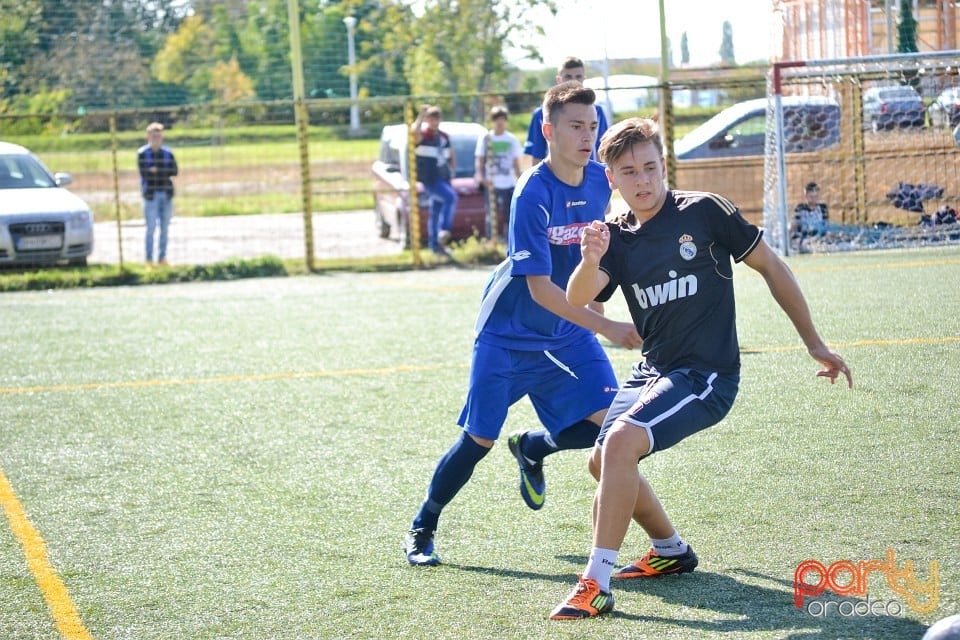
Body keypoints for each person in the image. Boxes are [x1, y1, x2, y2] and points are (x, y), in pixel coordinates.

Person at [550, 117, 853, 620]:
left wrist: (814, 342)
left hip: (708, 376)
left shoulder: (705, 211)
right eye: (629, 172)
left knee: (621, 441)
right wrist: (589, 258)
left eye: (650, 167)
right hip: (656, 370)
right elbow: (578, 297)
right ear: (611, 179)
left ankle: (595, 582)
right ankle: (670, 550)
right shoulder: (617, 238)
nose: (642, 181)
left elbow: (772, 267)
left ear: (663, 165)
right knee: (602, 461)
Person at [402, 82, 643, 567]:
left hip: (567, 331)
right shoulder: (531, 193)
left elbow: (605, 249)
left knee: (612, 427)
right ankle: (422, 526)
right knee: (479, 440)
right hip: (509, 335)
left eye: (592, 127)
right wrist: (608, 326)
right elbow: (538, 289)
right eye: (576, 126)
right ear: (548, 130)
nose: (586, 136)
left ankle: (534, 446)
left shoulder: (600, 180)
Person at [524, 57, 609, 164]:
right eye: (568, 76)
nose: (573, 81)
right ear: (559, 80)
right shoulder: (541, 114)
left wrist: (601, 178)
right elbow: (537, 154)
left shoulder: (597, 111)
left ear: (584, 79)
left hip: (588, 178)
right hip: (554, 178)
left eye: (578, 76)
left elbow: (602, 150)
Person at [412, 104, 458, 256]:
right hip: (430, 179)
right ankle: (443, 230)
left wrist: (453, 170)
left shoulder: (443, 137)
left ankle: (435, 246)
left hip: (444, 176)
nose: (434, 122)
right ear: (427, 120)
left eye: (436, 119)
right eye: (431, 119)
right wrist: (420, 115)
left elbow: (451, 155)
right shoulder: (424, 135)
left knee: (436, 210)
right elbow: (413, 133)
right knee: (450, 197)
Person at [474, 105, 523, 240]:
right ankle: (492, 240)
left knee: (509, 213)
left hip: (508, 182)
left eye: (502, 119)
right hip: (491, 182)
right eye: (497, 119)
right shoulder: (486, 138)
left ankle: (509, 240)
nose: (500, 122)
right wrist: (480, 176)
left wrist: (520, 179)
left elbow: (516, 162)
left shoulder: (511, 139)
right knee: (492, 214)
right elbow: (480, 159)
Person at [137, 122, 178, 266]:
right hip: (151, 195)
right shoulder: (143, 153)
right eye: (153, 135)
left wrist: (156, 170)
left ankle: (162, 258)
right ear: (148, 136)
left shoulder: (168, 153)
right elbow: (145, 173)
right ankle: (149, 259)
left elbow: (174, 171)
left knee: (165, 228)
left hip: (166, 193)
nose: (156, 138)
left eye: (158, 135)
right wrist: (161, 171)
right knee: (151, 228)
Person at [791, 181, 829, 252]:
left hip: (819, 236)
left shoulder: (822, 208)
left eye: (816, 197)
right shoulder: (800, 208)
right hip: (805, 237)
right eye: (811, 197)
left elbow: (825, 226)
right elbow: (795, 226)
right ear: (806, 196)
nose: (814, 199)